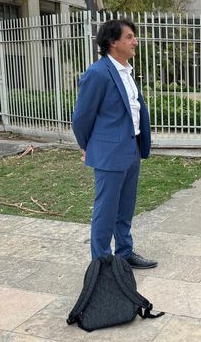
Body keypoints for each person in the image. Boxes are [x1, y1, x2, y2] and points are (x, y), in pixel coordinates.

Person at [72, 19, 157, 269]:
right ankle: (101, 262)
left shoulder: (127, 72)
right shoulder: (98, 73)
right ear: (113, 42)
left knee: (125, 207)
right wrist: (88, 146)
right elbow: (81, 117)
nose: (135, 41)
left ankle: (124, 253)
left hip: (131, 149)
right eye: (129, 37)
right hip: (109, 153)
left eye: (134, 37)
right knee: (105, 210)